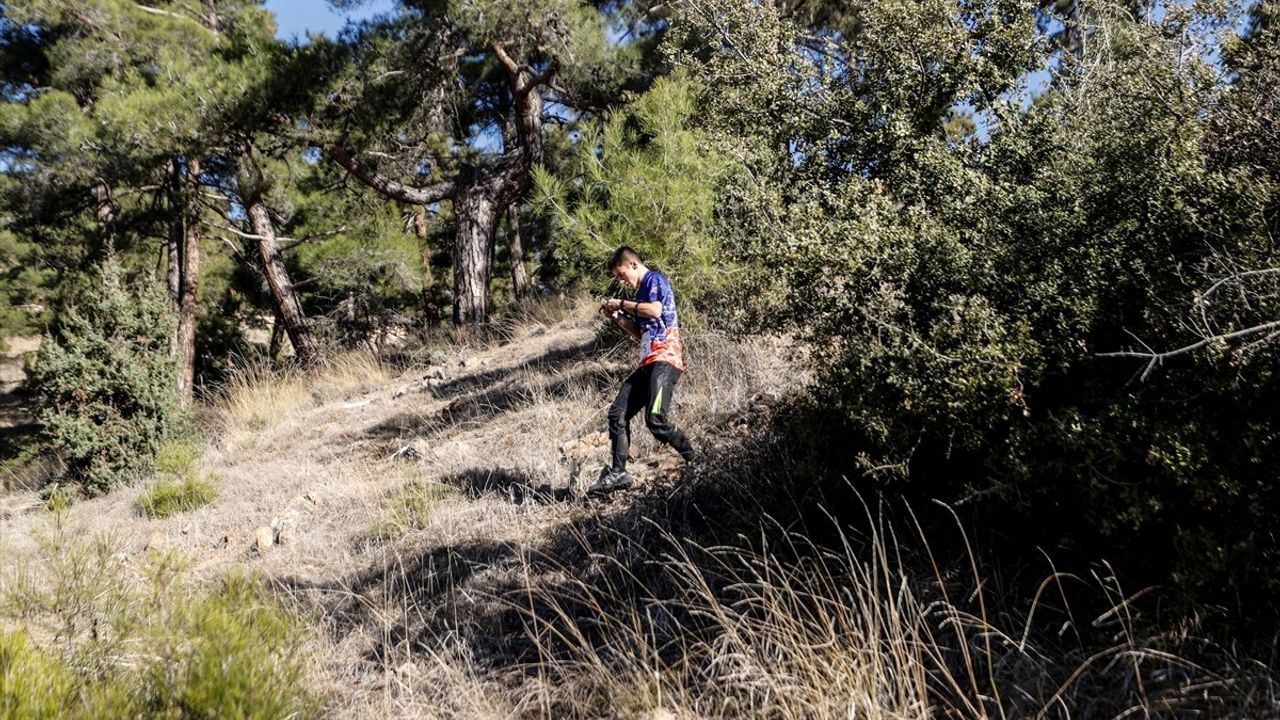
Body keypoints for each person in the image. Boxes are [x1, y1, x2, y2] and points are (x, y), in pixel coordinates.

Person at [587, 246, 697, 495]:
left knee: (655, 421)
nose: (620, 280)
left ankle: (697, 462)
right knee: (618, 413)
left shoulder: (654, 280)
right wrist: (618, 318)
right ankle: (618, 473)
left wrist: (623, 304)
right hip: (648, 361)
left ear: (633, 264)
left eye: (621, 273)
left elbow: (655, 310)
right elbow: (641, 333)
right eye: (617, 276)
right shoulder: (641, 292)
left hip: (665, 360)